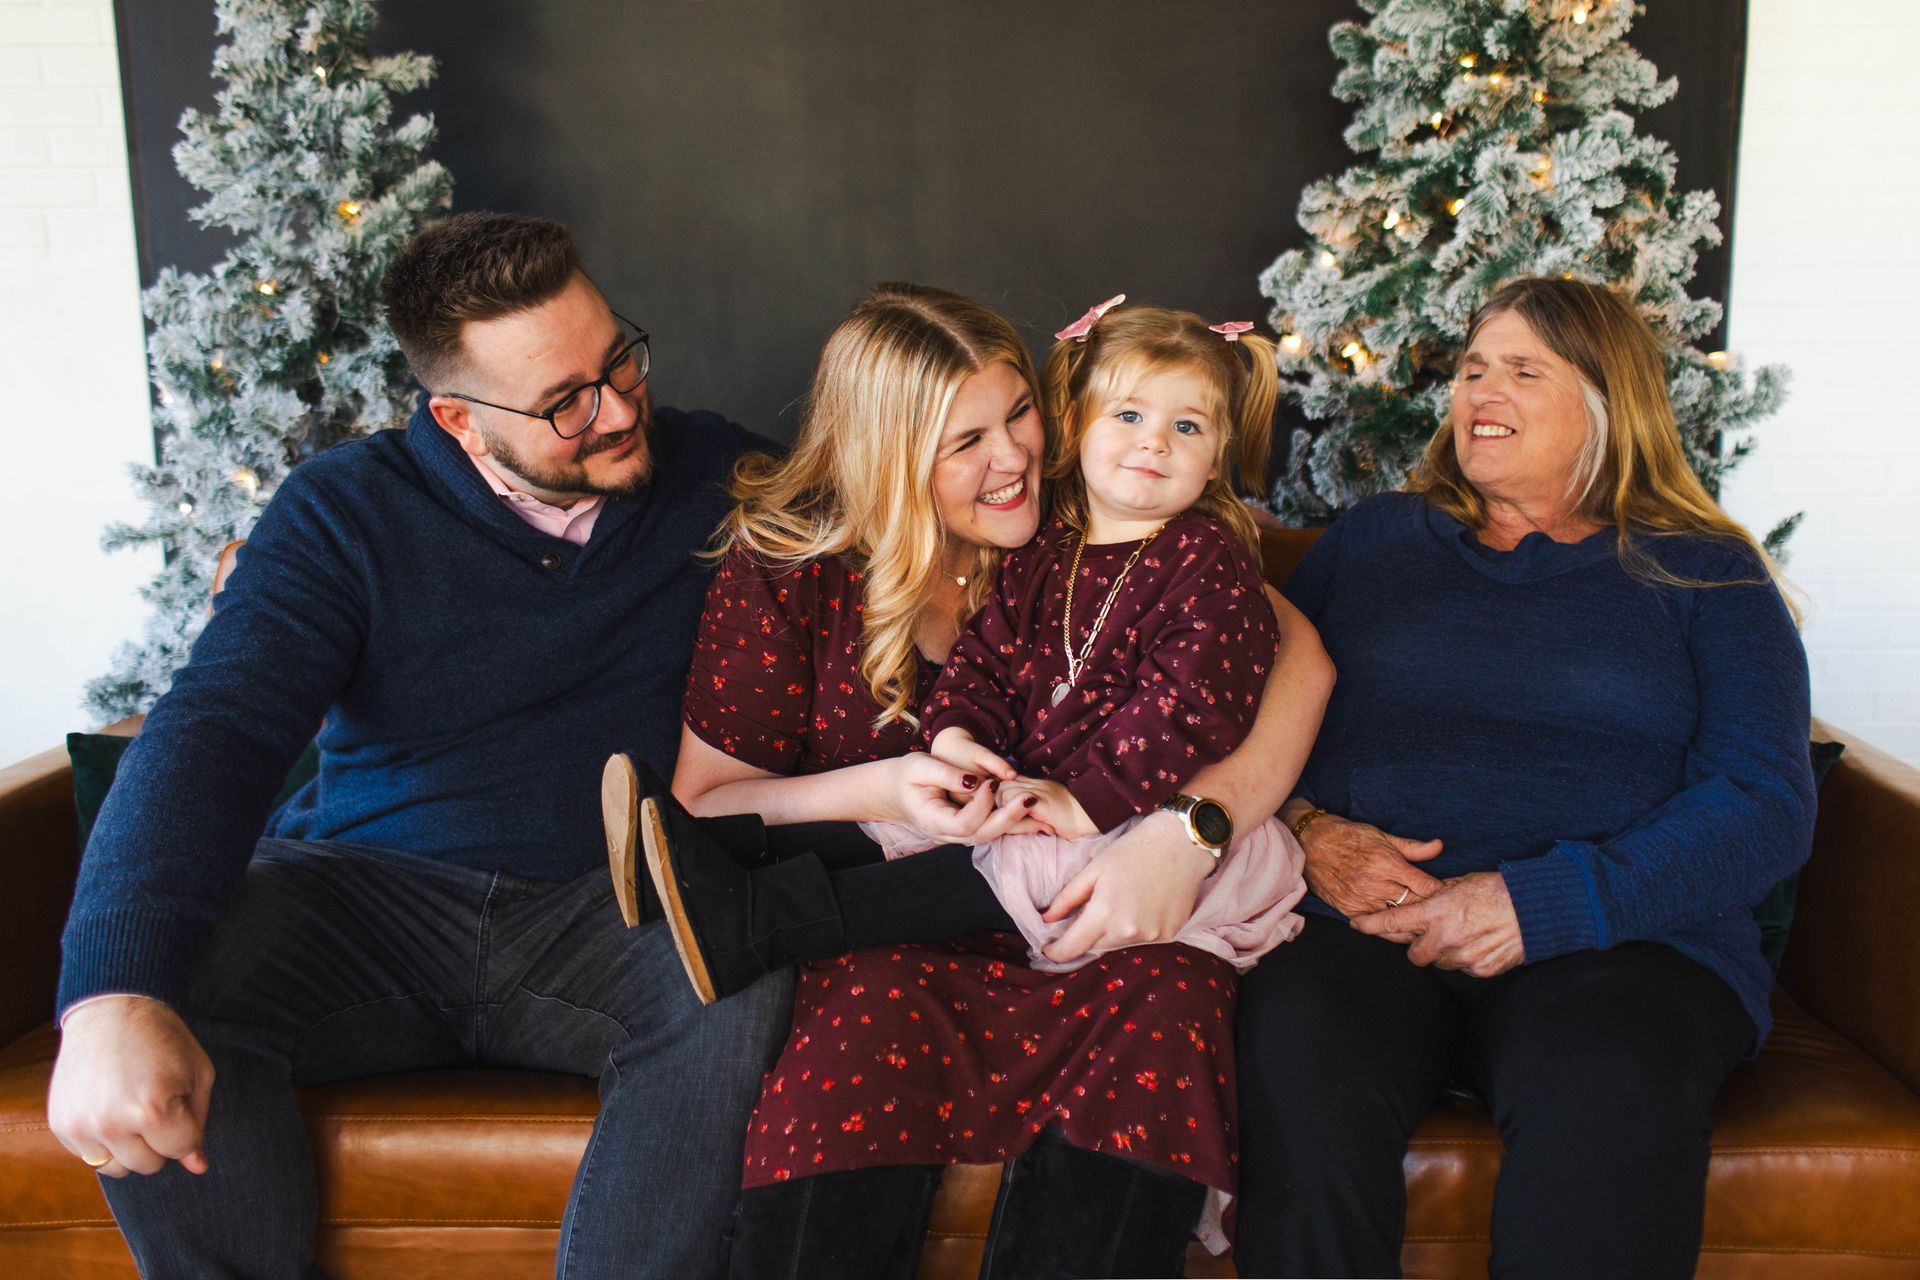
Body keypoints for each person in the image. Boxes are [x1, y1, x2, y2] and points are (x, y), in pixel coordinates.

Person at [45, 211, 797, 1278]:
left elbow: (917, 544)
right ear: (458, 417)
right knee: (174, 980)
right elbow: (218, 726)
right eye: (564, 401)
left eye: (618, 358)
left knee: (735, 971)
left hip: (609, 902)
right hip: (367, 894)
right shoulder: (342, 512)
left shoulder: (723, 476)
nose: (619, 407)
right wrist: (110, 997)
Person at [631, 282, 1333, 1277]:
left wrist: (1185, 833)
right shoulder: (793, 572)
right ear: (889, 453)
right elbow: (706, 803)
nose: (1013, 459)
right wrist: (887, 785)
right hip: (903, 928)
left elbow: (1298, 660)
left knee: (1170, 1006)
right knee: (857, 1028)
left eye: (1019, 415)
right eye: (966, 443)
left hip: (1098, 911)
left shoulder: (1097, 517)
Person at [1233, 277, 1817, 1278]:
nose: (1478, 391)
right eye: (1470, 369)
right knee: (1292, 1042)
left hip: (1620, 942)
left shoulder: (1705, 572)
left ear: (1605, 401)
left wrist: (1545, 901)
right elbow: (1239, 720)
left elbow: (1764, 803)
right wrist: (1310, 829)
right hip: (1362, 927)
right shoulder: (1373, 540)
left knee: (1609, 1073)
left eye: (1521, 370)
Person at [871, 297, 1310, 974]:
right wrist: (958, 733)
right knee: (894, 825)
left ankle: (765, 925)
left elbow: (1186, 708)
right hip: (1039, 794)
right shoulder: (1047, 549)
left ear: (1217, 460)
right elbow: (984, 657)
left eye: (1187, 426)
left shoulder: (1209, 564)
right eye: (1130, 415)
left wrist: (1084, 801)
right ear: (1076, 425)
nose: (1154, 441)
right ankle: (737, 875)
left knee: (957, 881)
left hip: (1134, 817)